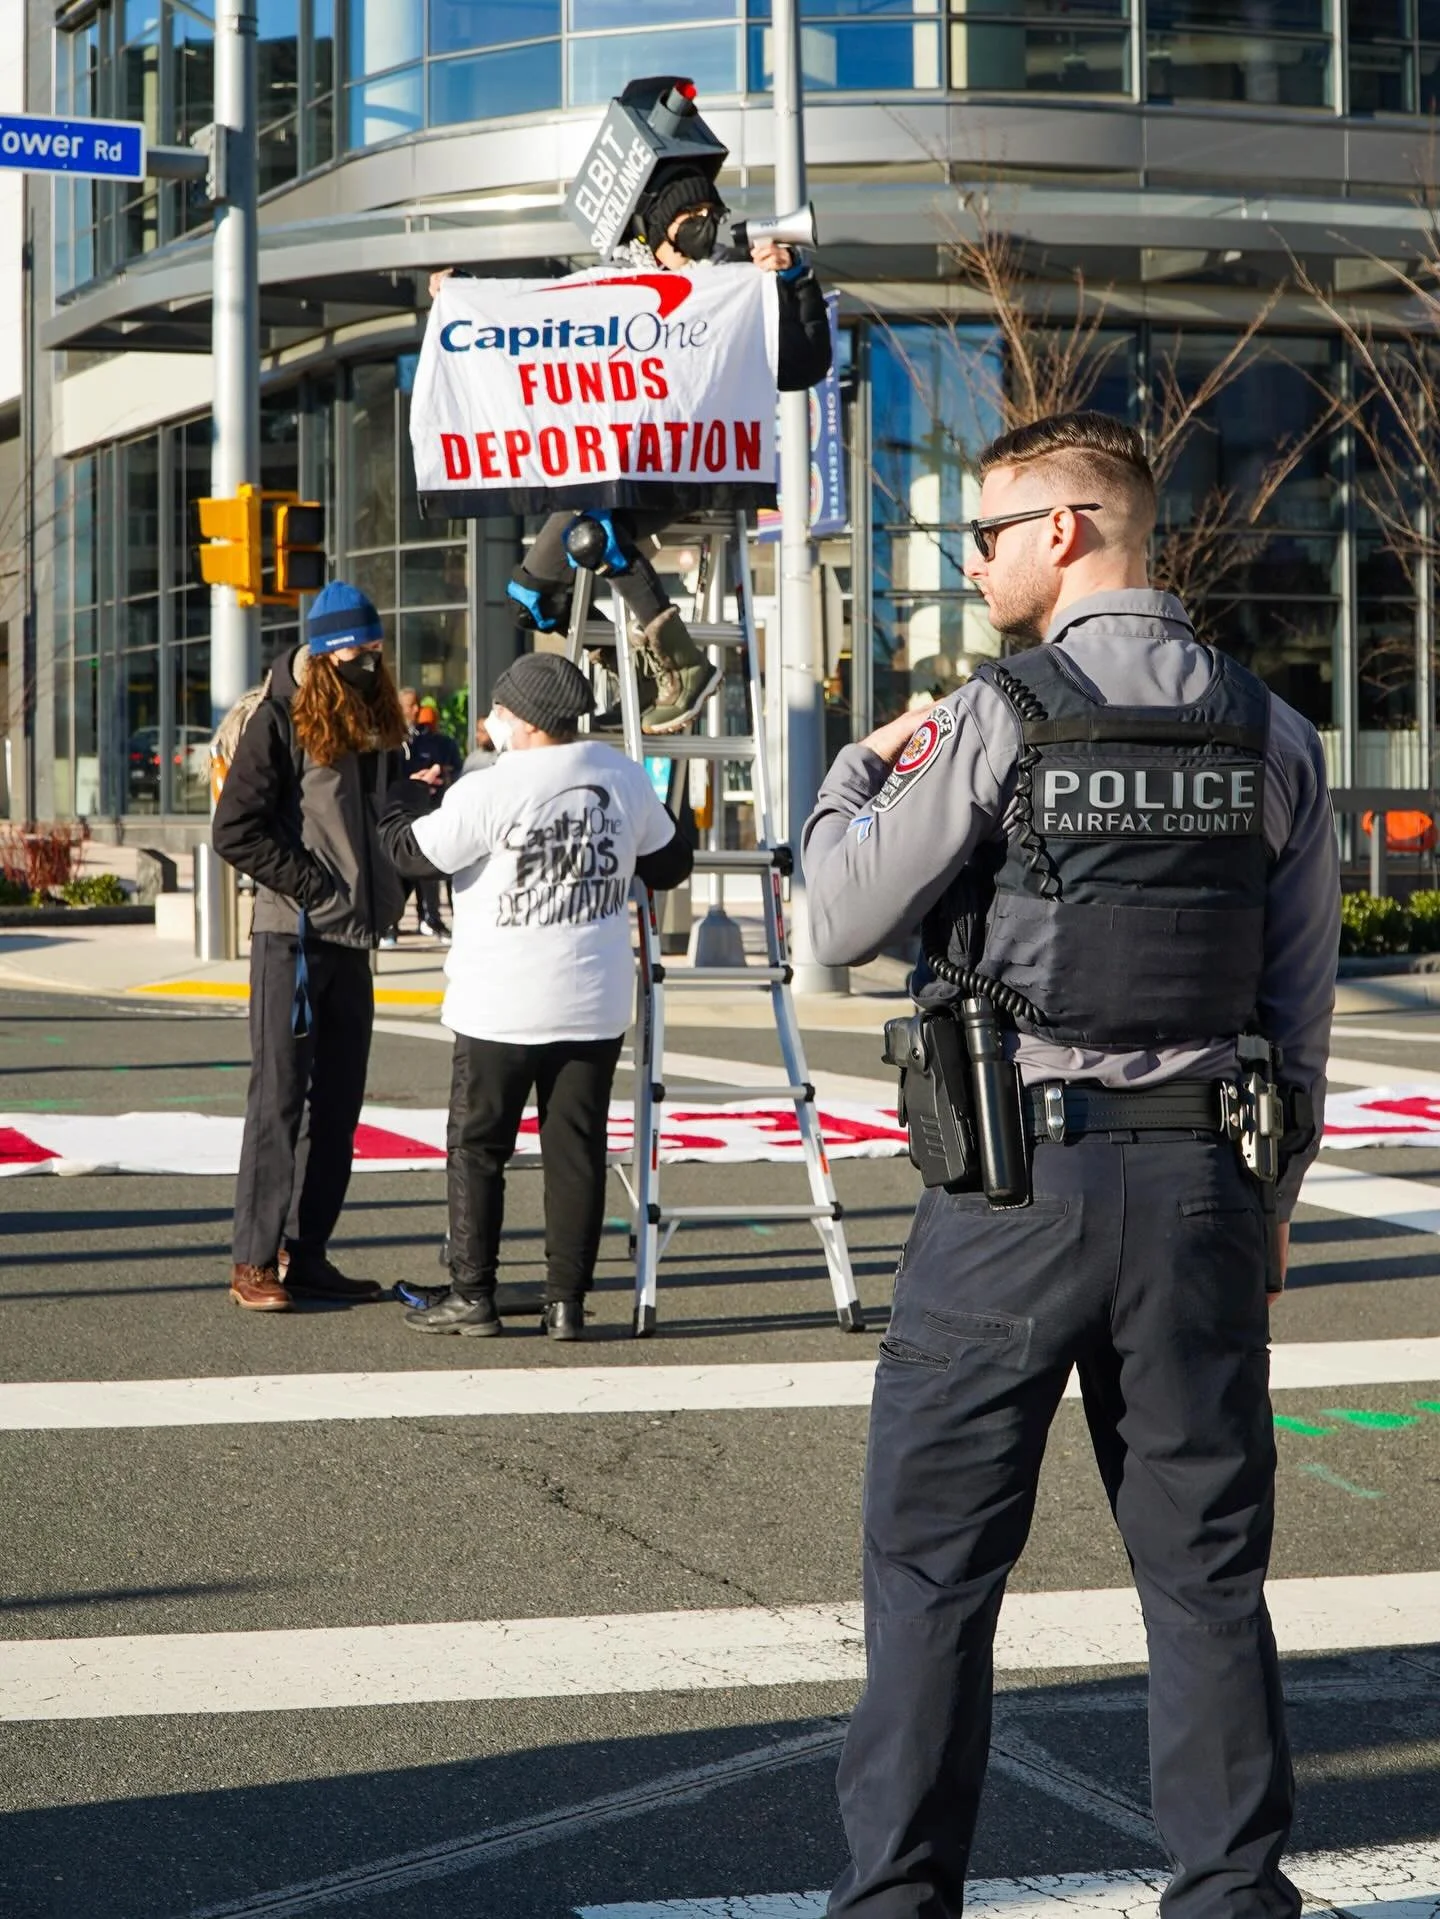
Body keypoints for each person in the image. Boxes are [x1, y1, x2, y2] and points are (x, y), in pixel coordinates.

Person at [802, 411, 1340, 1916]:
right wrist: (1274, 1206)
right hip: (1203, 1198)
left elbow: (841, 915)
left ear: (1067, 532)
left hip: (1012, 1195)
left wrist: (853, 769)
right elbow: (1299, 1014)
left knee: (931, 1578)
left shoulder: (996, 717)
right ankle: (1233, 1894)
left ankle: (899, 1899)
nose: (973, 562)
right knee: (1207, 1573)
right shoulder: (1271, 731)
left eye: (985, 533)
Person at [430, 165, 831, 736]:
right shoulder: (617, 282)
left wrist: (793, 286)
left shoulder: (733, 286)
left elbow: (804, 365)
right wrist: (468, 291)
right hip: (617, 464)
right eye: (690, 218)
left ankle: (683, 667)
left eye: (709, 216)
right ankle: (637, 677)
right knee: (529, 601)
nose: (705, 225)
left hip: (689, 462)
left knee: (595, 534)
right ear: (661, 229)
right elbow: (542, 313)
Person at [378, 651, 693, 1340]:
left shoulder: (491, 786)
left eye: (498, 711)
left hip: (501, 1003)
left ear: (517, 719)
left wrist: (405, 797)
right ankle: (566, 1301)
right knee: (575, 1147)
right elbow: (670, 861)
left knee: (478, 1146)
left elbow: (410, 854)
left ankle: (474, 1293)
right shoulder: (623, 776)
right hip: (594, 1002)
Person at [213, 580, 408, 1312]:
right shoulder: (281, 715)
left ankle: (307, 1251)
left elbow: (374, 819)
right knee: (278, 1102)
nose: (371, 657)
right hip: (289, 939)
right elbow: (235, 829)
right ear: (326, 650)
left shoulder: (373, 711)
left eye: (377, 645)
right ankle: (252, 1261)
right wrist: (315, 888)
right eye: (358, 646)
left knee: (339, 1108)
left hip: (353, 940)